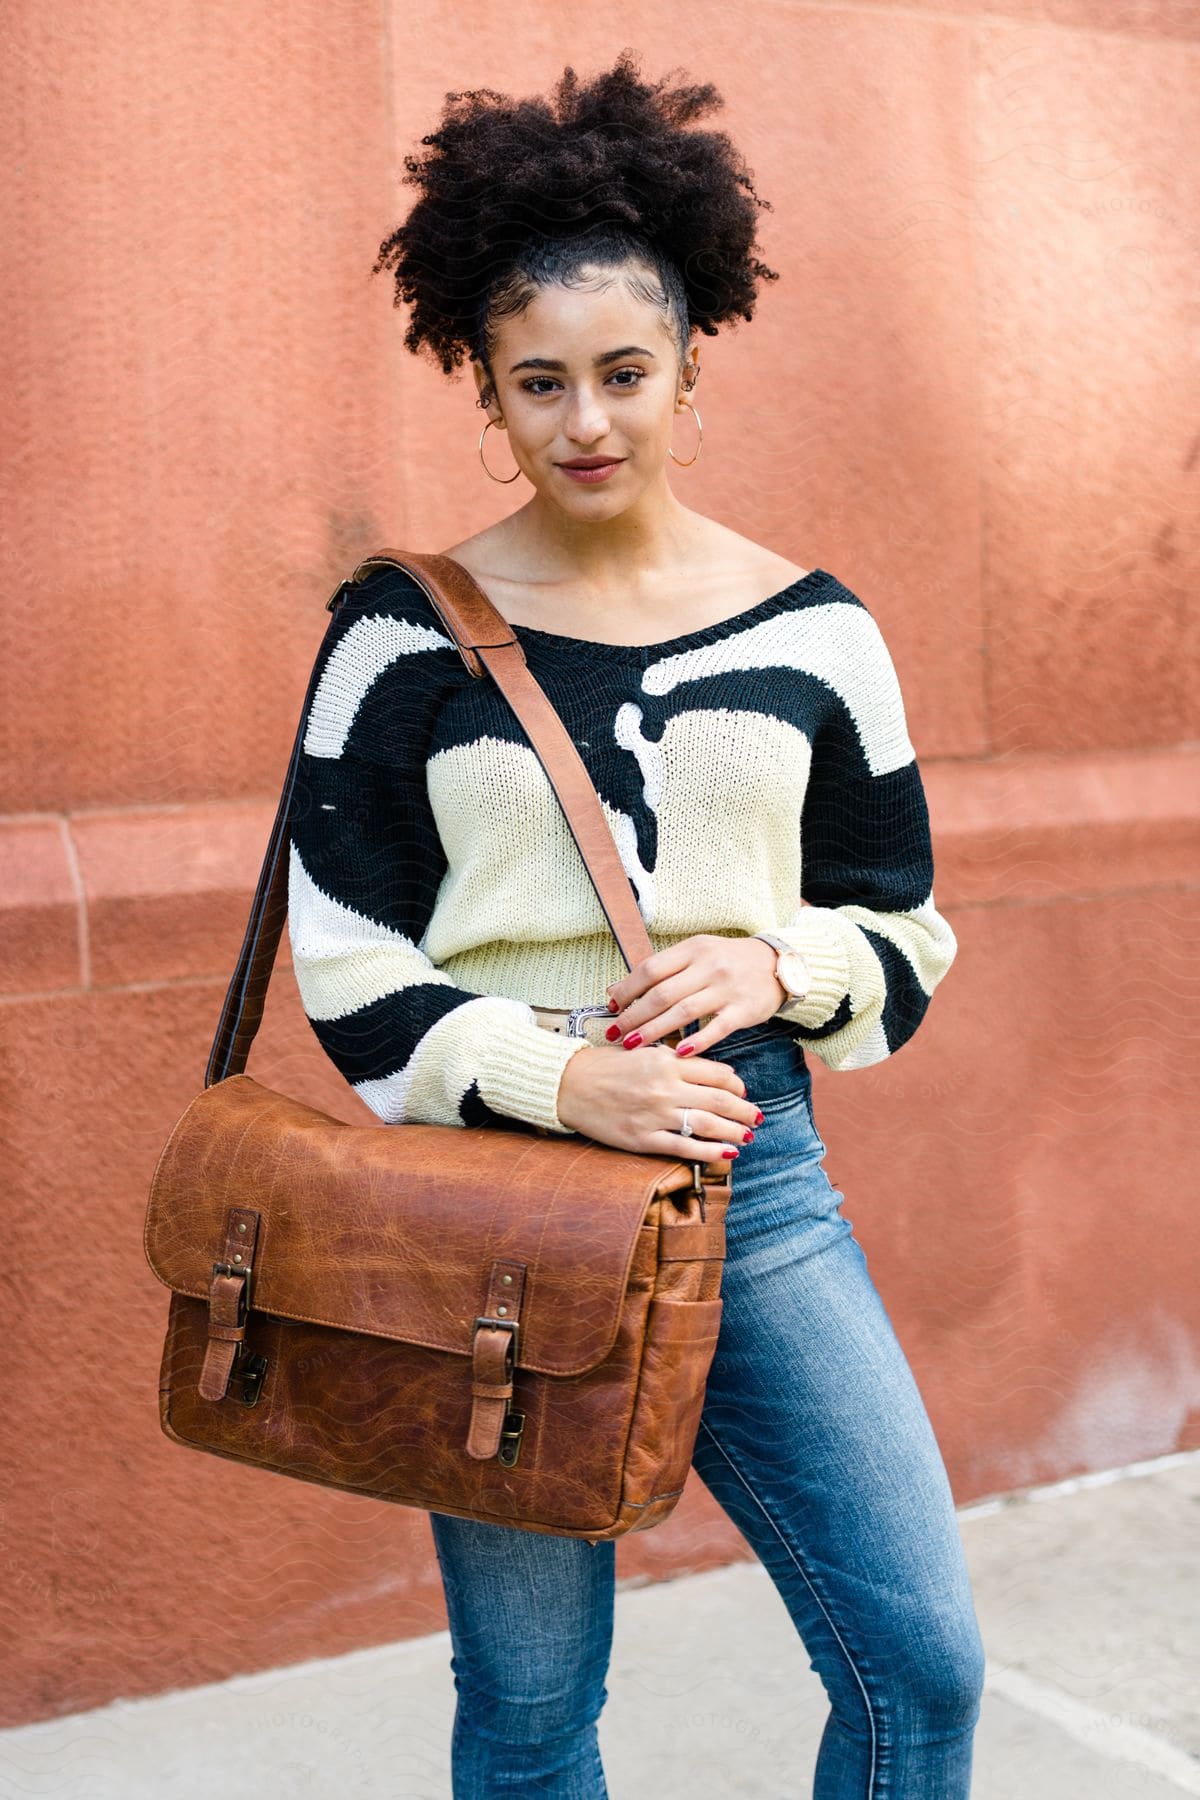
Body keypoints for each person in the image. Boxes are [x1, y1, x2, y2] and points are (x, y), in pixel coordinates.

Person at [286, 50, 986, 1800]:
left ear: (692, 371)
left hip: (756, 1183)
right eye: (540, 383)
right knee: (531, 1707)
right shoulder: (398, 634)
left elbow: (904, 925)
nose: (586, 420)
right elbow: (346, 952)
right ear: (485, 392)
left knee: (923, 1669)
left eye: (622, 372)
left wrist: (784, 962)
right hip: (498, 1211)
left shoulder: (820, 632)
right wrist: (551, 1080)